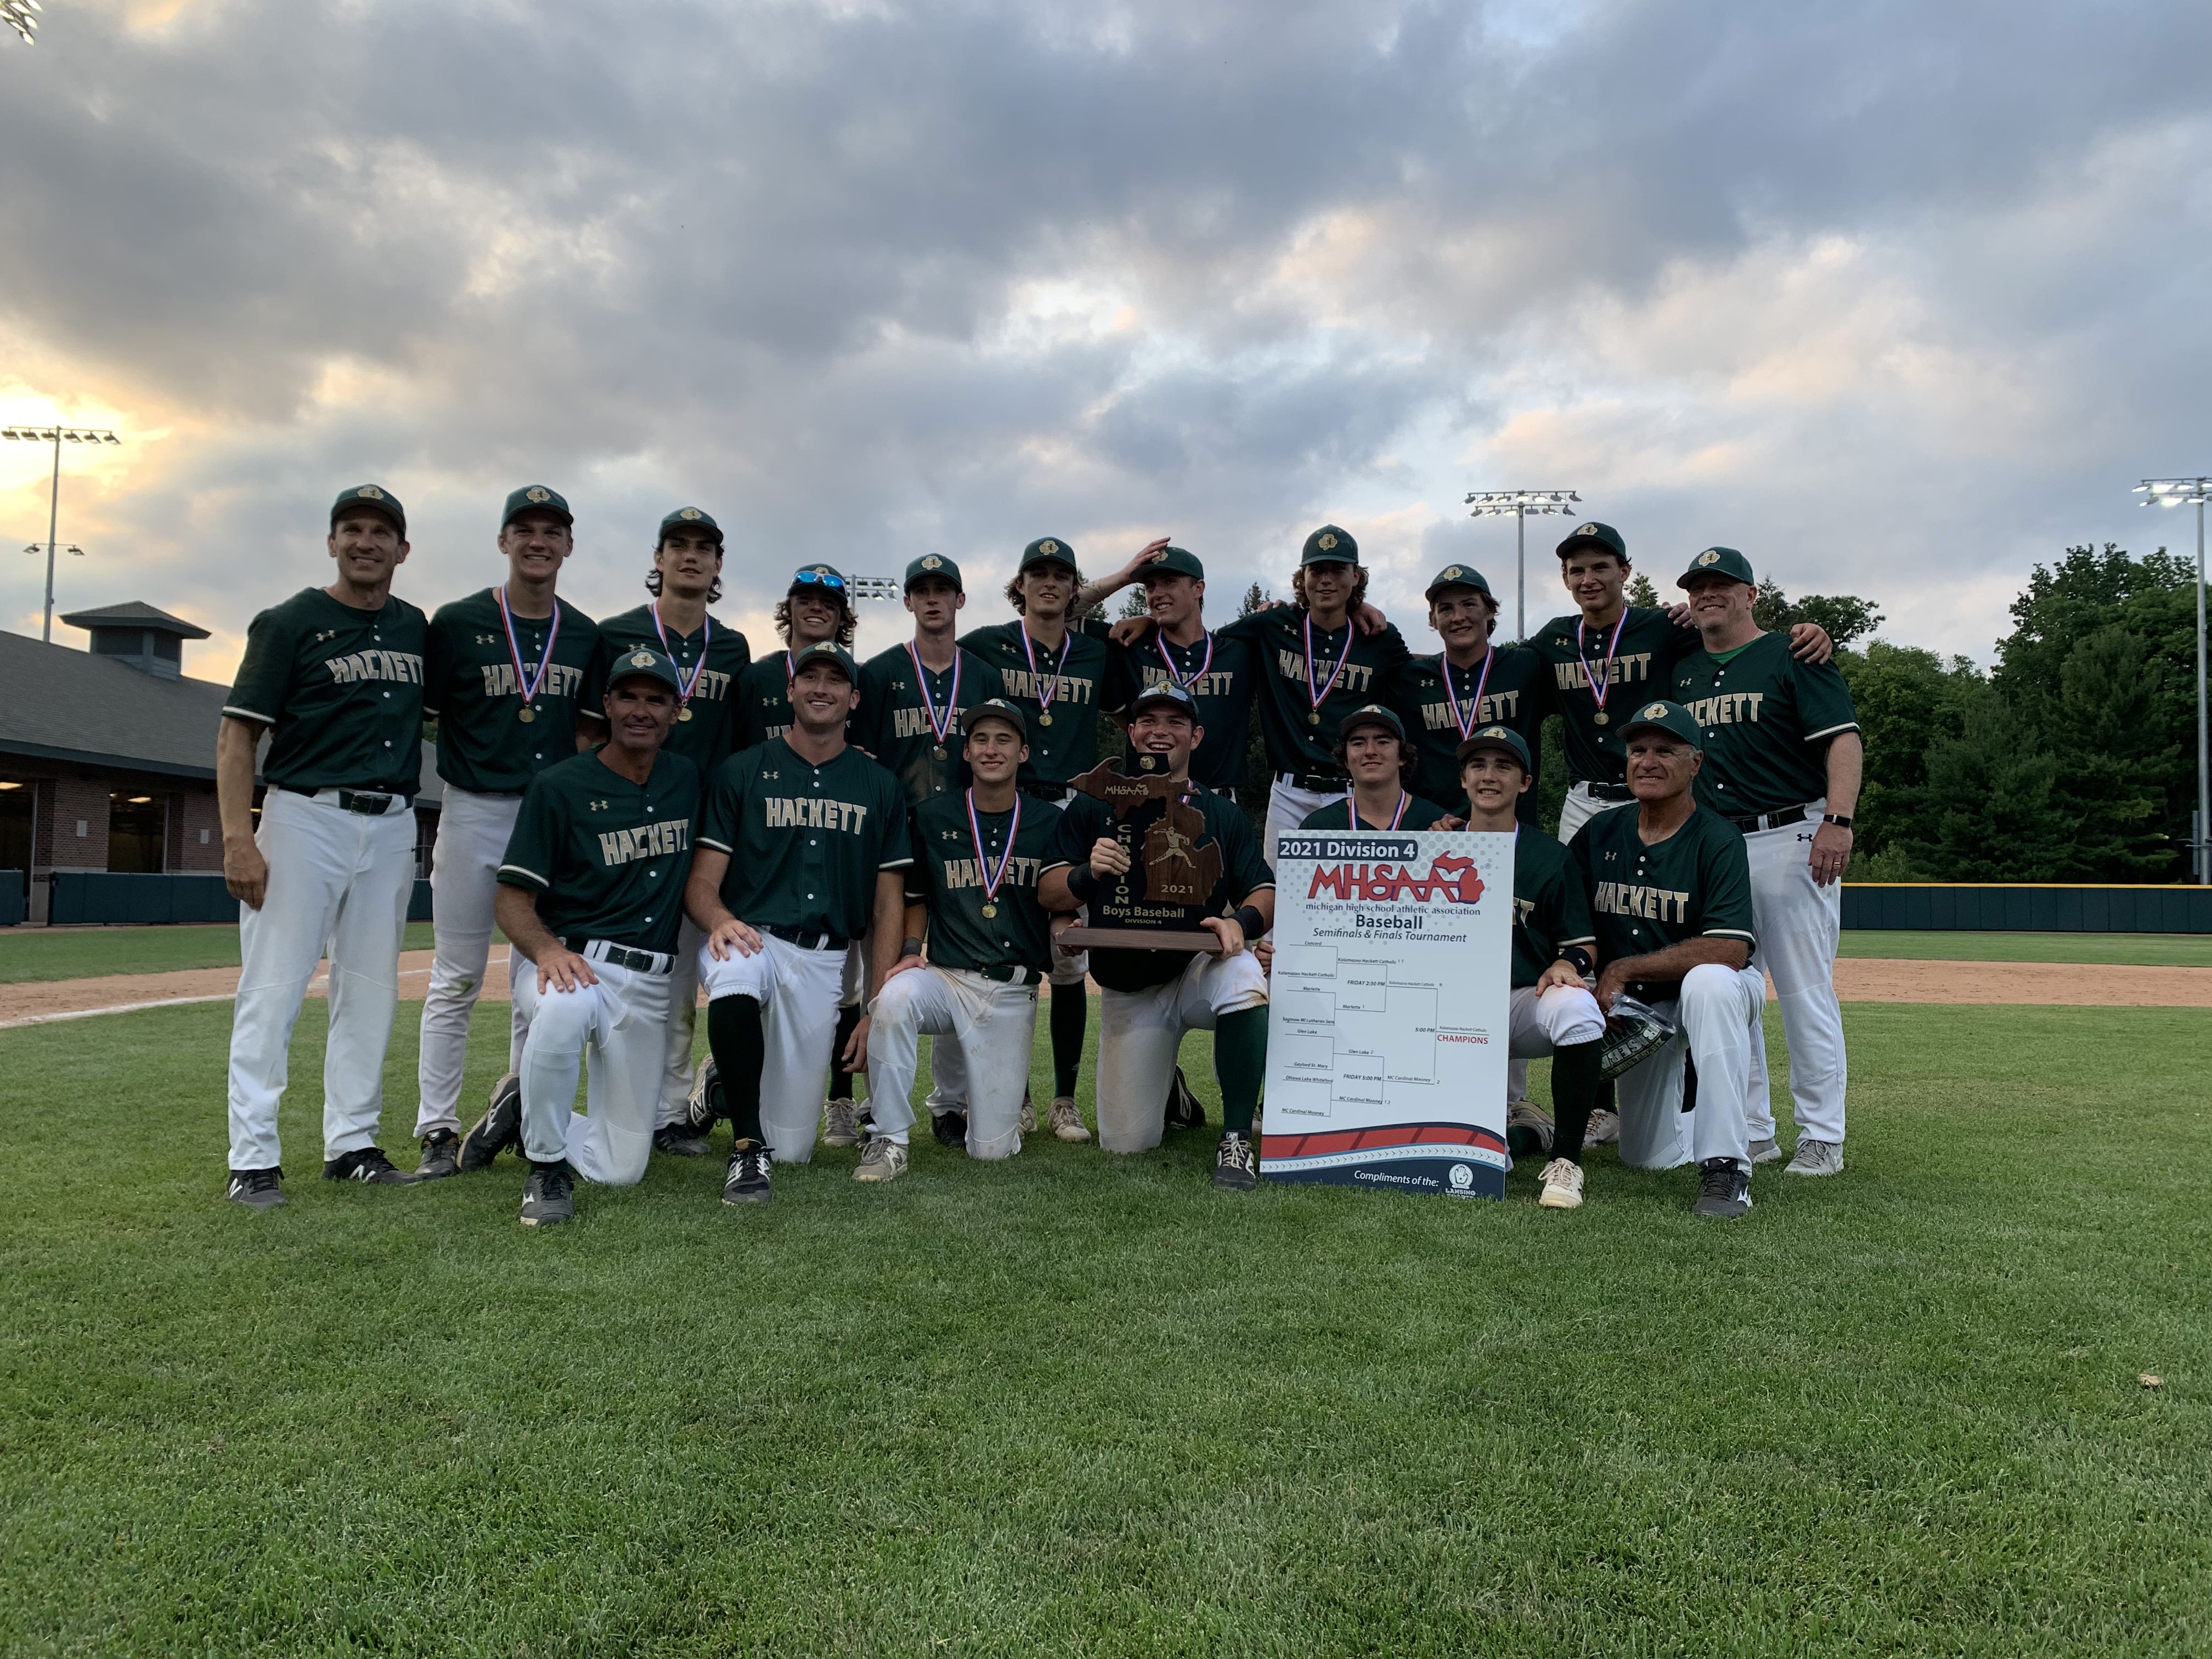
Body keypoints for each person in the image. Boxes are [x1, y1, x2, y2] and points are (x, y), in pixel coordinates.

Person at [1525, 521, 1830, 1145]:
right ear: (1563, 579)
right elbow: (1486, 668)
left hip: (1673, 805)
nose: (1588, 579)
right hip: (1588, 804)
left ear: (1625, 572)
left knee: (1737, 974)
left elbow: (1731, 631)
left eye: (1600, 567)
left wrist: (1808, 629)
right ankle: (1603, 1098)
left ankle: (1816, 1134)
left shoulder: (1667, 627)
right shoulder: (1554, 640)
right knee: (1590, 947)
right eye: (1576, 570)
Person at [216, 484, 430, 1207]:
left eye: (380, 532)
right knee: (274, 988)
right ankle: (252, 1158)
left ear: (403, 550)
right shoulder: (290, 622)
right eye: (352, 529)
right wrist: (239, 838)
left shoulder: (414, 626)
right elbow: (238, 733)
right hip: (306, 813)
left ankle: (353, 1144)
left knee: (369, 990)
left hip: (393, 820)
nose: (366, 542)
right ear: (332, 542)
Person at [455, 648, 698, 1225]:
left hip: (651, 981)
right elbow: (511, 897)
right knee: (564, 1009)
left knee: (621, 1168)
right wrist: (546, 950)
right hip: (574, 961)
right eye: (629, 697)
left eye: (656, 699)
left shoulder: (686, 779)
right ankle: (545, 1170)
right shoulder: (559, 785)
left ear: (675, 711)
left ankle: (521, 1109)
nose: (641, 710)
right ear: (607, 705)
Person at [411, 486, 602, 1180]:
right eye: (524, 529)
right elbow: (424, 713)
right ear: (503, 541)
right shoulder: (458, 622)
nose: (538, 542)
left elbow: (588, 731)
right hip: (472, 807)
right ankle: (437, 1126)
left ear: (569, 546)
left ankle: (520, 1107)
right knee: (456, 977)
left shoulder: (583, 633)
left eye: (552, 531)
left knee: (540, 975)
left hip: (547, 817)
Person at [684, 643, 911, 1204]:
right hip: (752, 934)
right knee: (736, 972)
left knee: (794, 1148)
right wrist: (719, 921)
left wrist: (874, 1008)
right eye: (809, 676)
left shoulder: (878, 785)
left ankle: (725, 1081)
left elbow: (887, 908)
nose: (821, 688)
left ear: (854, 698)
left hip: (824, 960)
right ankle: (744, 1151)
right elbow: (702, 882)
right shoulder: (744, 769)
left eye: (835, 680)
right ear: (789, 690)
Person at [1671, 546, 1863, 1176]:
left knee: (1805, 991)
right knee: (1728, 991)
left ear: (1752, 594)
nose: (1708, 595)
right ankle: (1752, 1129)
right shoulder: (1686, 668)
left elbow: (1843, 740)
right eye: (1698, 587)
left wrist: (1838, 821)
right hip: (1717, 847)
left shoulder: (1793, 653)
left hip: (1792, 836)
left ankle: (1822, 1136)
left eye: (1722, 585)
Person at [1037, 685, 1274, 1189]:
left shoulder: (1220, 811)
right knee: (1125, 1142)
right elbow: (1048, 890)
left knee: (1246, 973)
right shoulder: (1093, 805)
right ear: (1131, 732)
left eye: (1175, 722)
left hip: (1194, 971)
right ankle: (1174, 1097)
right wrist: (1084, 875)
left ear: (1197, 735)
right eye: (1148, 721)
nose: (1160, 731)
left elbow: (1263, 889)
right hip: (1128, 987)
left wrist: (1242, 924)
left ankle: (1235, 1139)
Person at [585, 507, 753, 1159]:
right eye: (677, 545)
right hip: (626, 823)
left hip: (700, 826)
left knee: (682, 978)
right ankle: (544, 1098)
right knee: (615, 971)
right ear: (657, 558)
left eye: (703, 548)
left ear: (717, 565)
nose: (690, 556)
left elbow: (737, 747)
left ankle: (670, 1114)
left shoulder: (733, 646)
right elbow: (588, 733)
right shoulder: (616, 633)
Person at [1569, 701, 1765, 1219]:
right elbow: (1558, 907)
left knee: (1709, 983)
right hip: (1642, 1016)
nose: (1647, 761)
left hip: (1714, 994)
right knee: (1645, 1159)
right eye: (1638, 750)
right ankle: (1697, 1120)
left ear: (1696, 762)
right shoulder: (1600, 833)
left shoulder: (1718, 838)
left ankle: (1727, 1169)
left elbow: (1729, 949)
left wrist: (1624, 968)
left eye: (1665, 750)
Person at [959, 538, 1126, 1143]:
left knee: (1069, 957)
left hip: (1076, 807)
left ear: (1074, 588)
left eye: (1062, 575)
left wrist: (1125, 615)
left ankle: (1063, 1098)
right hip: (1015, 808)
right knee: (1022, 945)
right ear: (1020, 584)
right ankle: (1022, 1096)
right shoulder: (986, 643)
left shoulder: (1093, 649)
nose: (1050, 584)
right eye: (1039, 574)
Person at [862, 698, 1069, 1175]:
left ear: (1023, 752)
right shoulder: (935, 816)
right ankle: (889, 1138)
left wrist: (1067, 929)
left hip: (1012, 987)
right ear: (966, 752)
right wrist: (912, 951)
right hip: (948, 978)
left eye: (1003, 740)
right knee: (893, 997)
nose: (991, 749)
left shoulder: (1049, 821)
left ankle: (976, 1106)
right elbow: (917, 897)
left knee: (992, 1150)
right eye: (980, 739)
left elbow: (1058, 901)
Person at [731, 565, 871, 1147]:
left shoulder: (853, 677)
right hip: (768, 841)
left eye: (829, 601)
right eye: (805, 599)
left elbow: (865, 756)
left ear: (844, 614)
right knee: (746, 973)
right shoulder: (755, 674)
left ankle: (839, 1101)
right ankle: (725, 1076)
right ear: (788, 607)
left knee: (844, 979)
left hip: (835, 833)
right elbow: (736, 756)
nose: (816, 607)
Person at [1449, 725, 1606, 1211]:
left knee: (1578, 1009)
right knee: (1480, 1150)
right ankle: (1526, 1131)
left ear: (1525, 782)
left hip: (1517, 1002)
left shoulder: (1549, 856)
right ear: (1463, 780)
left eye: (1504, 766)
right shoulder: (1431, 849)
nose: (1489, 776)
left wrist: (1567, 960)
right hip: (1442, 1005)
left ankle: (1566, 1162)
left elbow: (1584, 945)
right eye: (1478, 766)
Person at [1215, 525, 1410, 867]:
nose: (1326, 580)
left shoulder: (1379, 638)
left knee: (1351, 900)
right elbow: (1205, 644)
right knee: (1278, 901)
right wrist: (1146, 620)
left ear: (1356, 577)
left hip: (1354, 791)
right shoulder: (1274, 625)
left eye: (1338, 570)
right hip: (1289, 791)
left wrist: (1361, 609)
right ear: (1301, 577)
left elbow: (1421, 678)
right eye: (1316, 570)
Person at [1392, 563, 1545, 823]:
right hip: (1434, 829)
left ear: (1490, 609)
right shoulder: (1410, 679)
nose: (1458, 617)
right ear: (1432, 619)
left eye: (1469, 605)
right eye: (1446, 609)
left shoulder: (1525, 666)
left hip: (1511, 829)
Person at [1295, 705, 1454, 831]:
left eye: (1383, 742)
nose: (1370, 751)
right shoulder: (1318, 827)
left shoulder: (1436, 824)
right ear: (1346, 760)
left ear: (1403, 756)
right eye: (1359, 743)